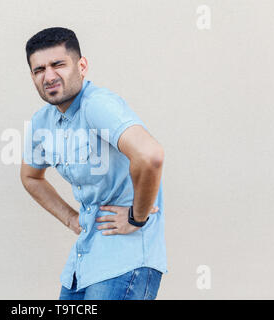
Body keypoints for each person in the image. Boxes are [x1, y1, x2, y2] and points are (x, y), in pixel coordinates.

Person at [20, 27, 167, 300]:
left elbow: (150, 155)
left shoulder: (97, 105)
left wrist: (138, 216)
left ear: (81, 66)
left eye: (58, 64)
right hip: (83, 261)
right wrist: (70, 218)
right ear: (32, 77)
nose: (49, 76)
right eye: (39, 69)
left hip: (126, 261)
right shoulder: (43, 122)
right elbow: (30, 177)